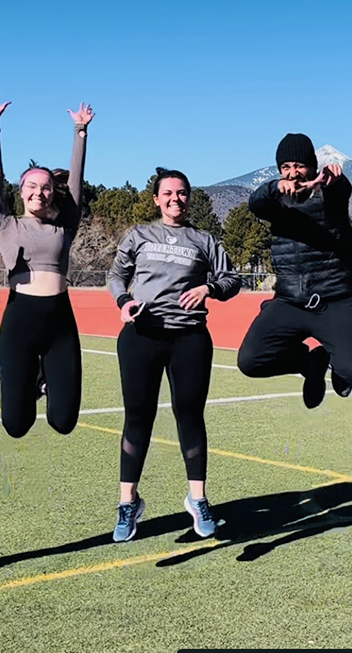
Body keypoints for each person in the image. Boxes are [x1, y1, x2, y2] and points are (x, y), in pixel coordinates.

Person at [107, 169, 242, 542]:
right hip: (142, 336)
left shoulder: (204, 240)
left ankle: (197, 498)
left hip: (190, 339)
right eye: (168, 193)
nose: (175, 199)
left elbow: (232, 279)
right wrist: (123, 301)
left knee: (190, 416)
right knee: (138, 419)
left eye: (182, 193)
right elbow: (116, 275)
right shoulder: (139, 235)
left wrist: (209, 288)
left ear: (189, 197)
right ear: (156, 198)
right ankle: (127, 503)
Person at [0, 90, 93, 438]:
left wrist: (80, 133)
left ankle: (40, 375)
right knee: (16, 425)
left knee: (63, 422)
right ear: (21, 191)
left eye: (45, 188)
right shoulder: (5, 224)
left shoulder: (64, 225)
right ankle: (26, 374)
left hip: (60, 319)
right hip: (19, 321)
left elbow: (75, 184)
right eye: (31, 187)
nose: (39, 193)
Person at [236, 132, 352, 408]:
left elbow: (341, 190)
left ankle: (339, 363)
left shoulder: (331, 194)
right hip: (290, 301)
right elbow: (255, 202)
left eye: (299, 165)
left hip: (334, 301)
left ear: (312, 165)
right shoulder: (275, 203)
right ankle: (310, 362)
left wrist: (334, 179)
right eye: (285, 167)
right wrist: (274, 187)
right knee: (250, 361)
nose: (293, 173)